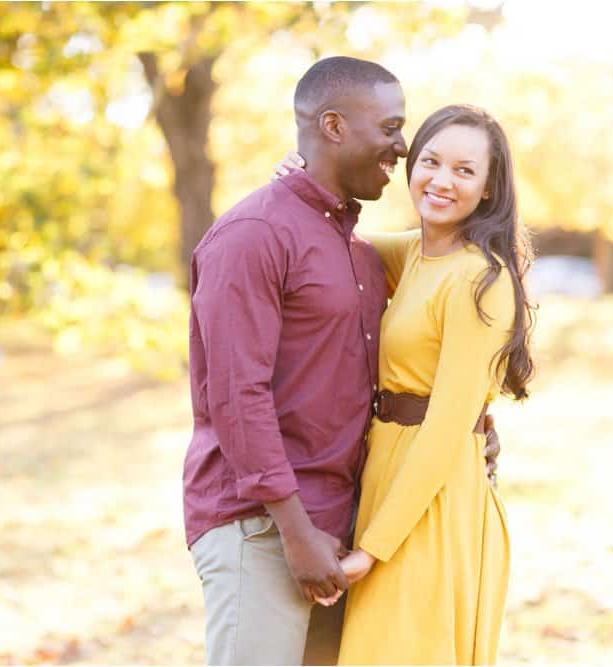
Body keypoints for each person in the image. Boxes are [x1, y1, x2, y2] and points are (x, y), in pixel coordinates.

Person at [184, 57, 501, 666]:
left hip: (343, 524)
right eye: (390, 127)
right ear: (333, 125)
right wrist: (293, 531)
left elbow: (414, 351)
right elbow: (235, 396)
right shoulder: (253, 235)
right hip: (264, 527)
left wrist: (473, 422)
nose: (402, 148)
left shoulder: (357, 252)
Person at [277, 104, 535, 663]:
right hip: (385, 480)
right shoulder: (414, 253)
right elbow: (340, 240)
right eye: (431, 162)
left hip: (433, 500)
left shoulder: (480, 281)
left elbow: (445, 430)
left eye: (465, 171)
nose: (442, 181)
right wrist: (296, 184)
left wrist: (372, 550)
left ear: (489, 189)